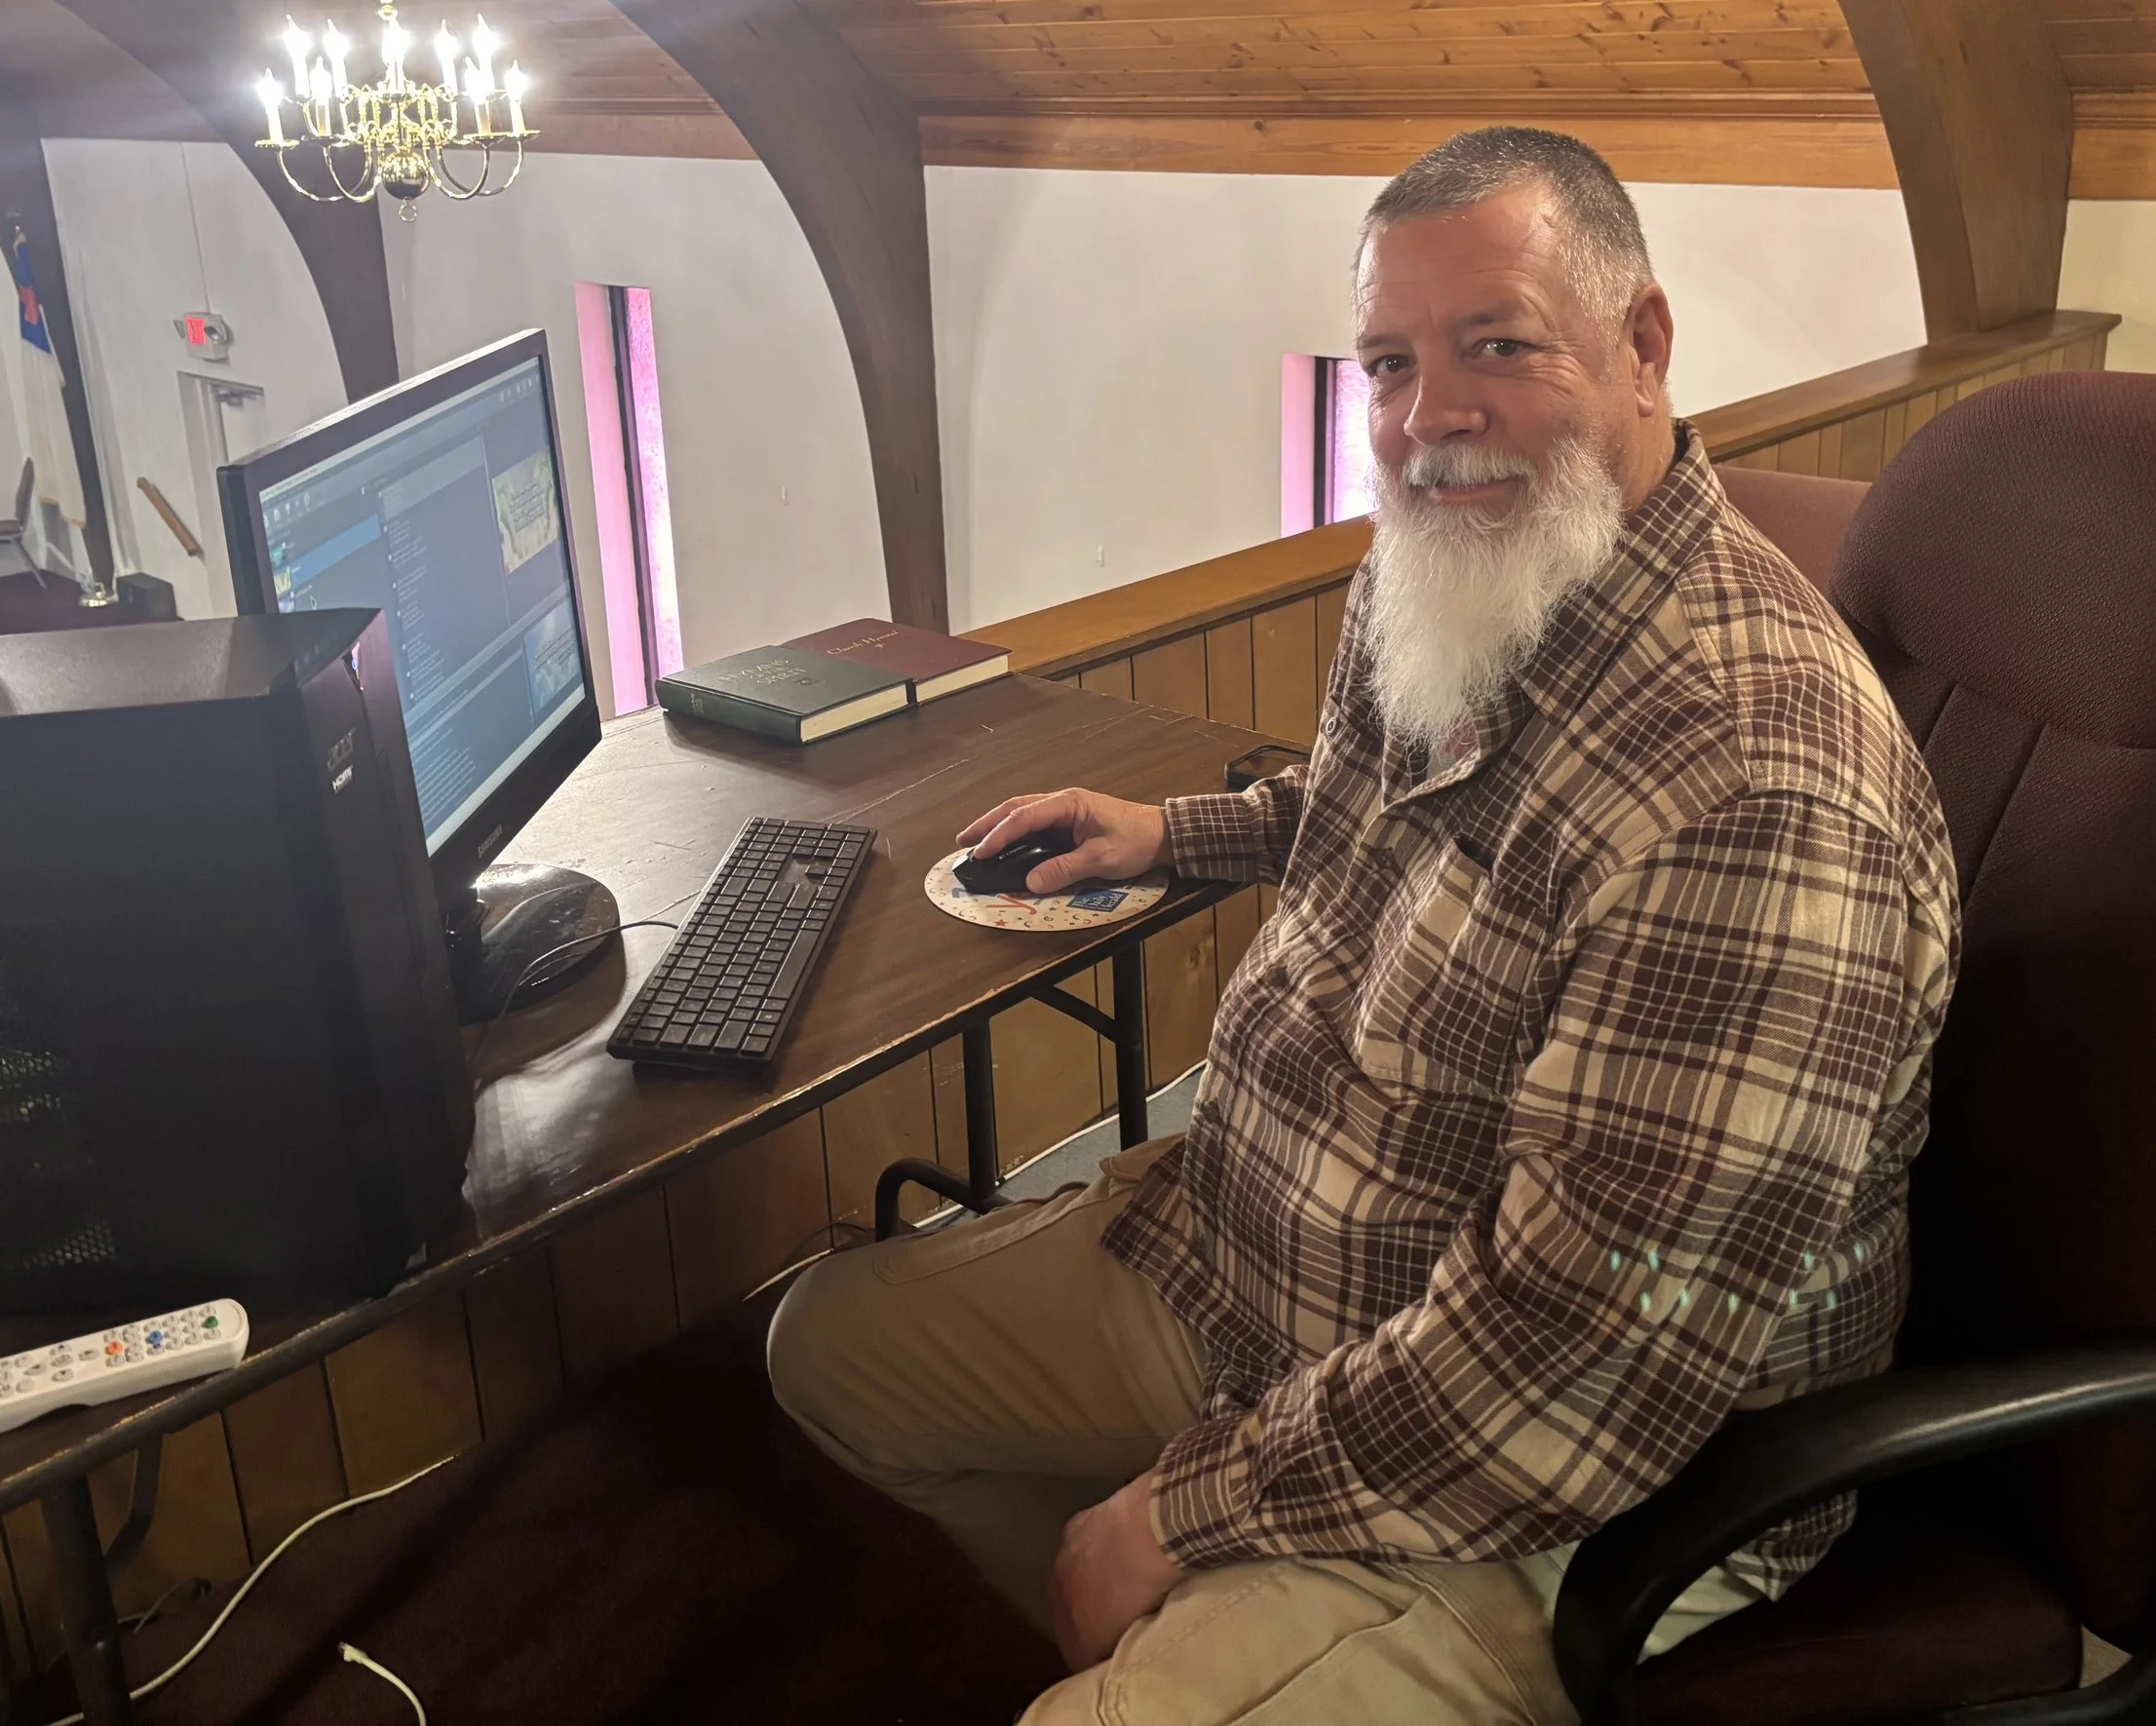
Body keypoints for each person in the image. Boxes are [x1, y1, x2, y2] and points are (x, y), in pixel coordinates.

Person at [767, 126, 1958, 1724]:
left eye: (1498, 347)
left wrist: (1172, 1516)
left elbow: (1570, 1358)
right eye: (1387, 365)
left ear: (1644, 346)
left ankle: (1194, 1629)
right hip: (1254, 1279)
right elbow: (1378, 805)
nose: (1428, 419)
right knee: (824, 1353)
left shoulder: (1755, 787)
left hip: (1556, 1491)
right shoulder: (1467, 570)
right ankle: (1160, 1634)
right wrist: (1175, 832)